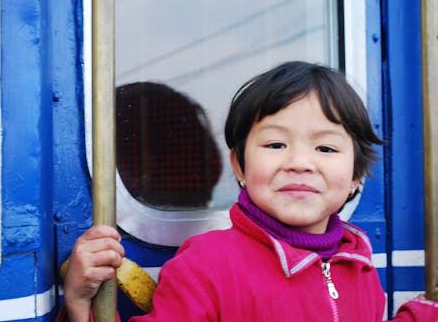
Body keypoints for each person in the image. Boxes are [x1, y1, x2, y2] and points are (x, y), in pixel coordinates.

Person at [59, 61, 438, 321]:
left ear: (356, 176)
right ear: (239, 166)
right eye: (276, 145)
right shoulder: (206, 265)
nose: (300, 162)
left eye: (325, 148)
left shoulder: (358, 264)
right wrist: (79, 304)